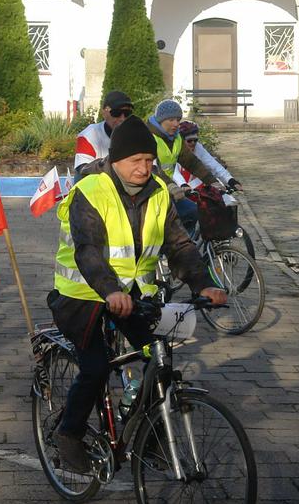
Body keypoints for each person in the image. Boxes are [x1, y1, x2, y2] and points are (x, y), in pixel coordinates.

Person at [48, 116, 228, 474]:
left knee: (157, 360)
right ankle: (68, 434)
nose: (144, 168)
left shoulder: (159, 192)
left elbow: (179, 244)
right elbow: (87, 250)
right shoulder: (92, 190)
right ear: (115, 161)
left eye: (149, 160)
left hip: (132, 296)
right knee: (96, 367)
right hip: (81, 297)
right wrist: (110, 290)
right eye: (136, 161)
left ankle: (154, 438)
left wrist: (203, 283)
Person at [145, 99, 222, 235]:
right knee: (167, 226)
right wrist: (171, 186)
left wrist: (211, 181)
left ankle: (187, 247)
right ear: (161, 120)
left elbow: (191, 162)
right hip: (150, 192)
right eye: (171, 120)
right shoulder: (148, 137)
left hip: (168, 191)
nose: (176, 124)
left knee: (194, 212)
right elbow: (152, 169)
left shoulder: (176, 138)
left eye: (178, 120)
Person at [73, 90, 134, 182]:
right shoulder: (89, 135)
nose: (122, 118)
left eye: (127, 113)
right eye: (116, 113)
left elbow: (152, 169)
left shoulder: (140, 135)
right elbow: (83, 170)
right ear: (104, 112)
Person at [174, 120, 243, 192]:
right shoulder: (175, 149)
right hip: (176, 185)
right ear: (181, 141)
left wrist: (230, 180)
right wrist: (183, 184)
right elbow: (174, 172)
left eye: (195, 140)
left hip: (193, 184)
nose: (193, 143)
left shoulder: (198, 148)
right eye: (189, 140)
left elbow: (213, 165)